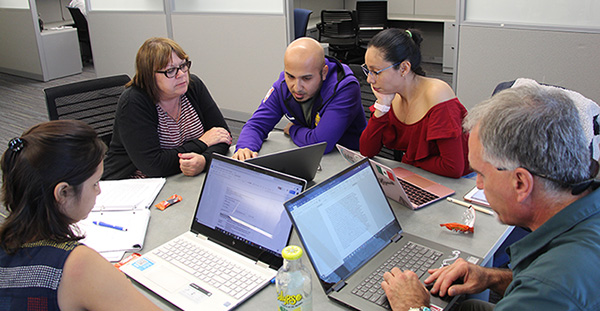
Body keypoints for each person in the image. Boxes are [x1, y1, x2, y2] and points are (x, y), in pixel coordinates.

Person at [380, 84, 600, 311]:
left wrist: (413, 307)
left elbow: (543, 288)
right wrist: (491, 278)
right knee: (471, 306)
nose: (478, 185)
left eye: (482, 174)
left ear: (521, 183)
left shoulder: (549, 288)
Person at [0, 120, 161, 310]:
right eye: (94, 183)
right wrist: (112, 284)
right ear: (63, 193)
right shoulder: (77, 265)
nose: (99, 191)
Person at [103, 37, 231, 179]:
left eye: (183, 66)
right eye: (170, 71)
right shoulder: (134, 101)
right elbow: (154, 166)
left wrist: (204, 160)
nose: (182, 74)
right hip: (138, 185)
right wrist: (203, 142)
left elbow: (223, 134)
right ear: (149, 76)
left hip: (182, 176)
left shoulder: (193, 86)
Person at [359, 28, 470, 178]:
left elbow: (452, 168)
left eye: (376, 72)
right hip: (423, 174)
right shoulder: (391, 95)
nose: (369, 80)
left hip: (461, 182)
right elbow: (367, 151)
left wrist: (408, 161)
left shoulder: (437, 94)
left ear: (404, 68)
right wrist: (381, 107)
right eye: (368, 70)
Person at [232, 37, 365, 160]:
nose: (297, 87)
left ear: (323, 72)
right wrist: (246, 147)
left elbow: (321, 144)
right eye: (290, 76)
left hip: (349, 159)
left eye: (306, 78)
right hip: (309, 155)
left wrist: (292, 129)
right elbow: (256, 125)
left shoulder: (345, 87)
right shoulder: (282, 86)